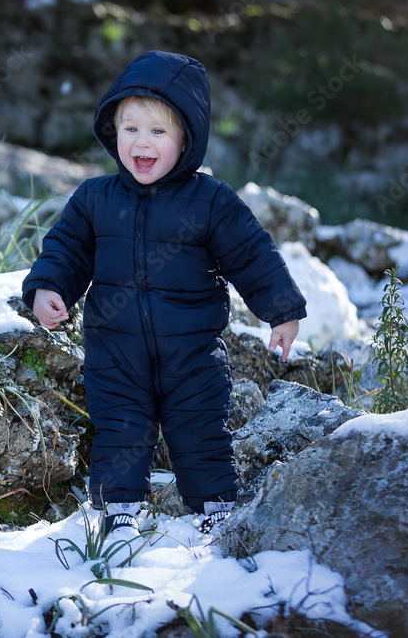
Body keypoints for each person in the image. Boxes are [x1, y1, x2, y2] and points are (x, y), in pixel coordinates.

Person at [21, 50, 306, 538]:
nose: (141, 142)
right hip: (116, 351)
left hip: (191, 350)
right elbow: (67, 249)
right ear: (113, 132)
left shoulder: (210, 201)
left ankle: (216, 506)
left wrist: (281, 310)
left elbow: (251, 253)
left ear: (186, 139)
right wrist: (49, 286)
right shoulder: (95, 198)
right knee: (120, 428)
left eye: (158, 131)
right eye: (130, 128)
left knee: (200, 429)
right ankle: (120, 510)